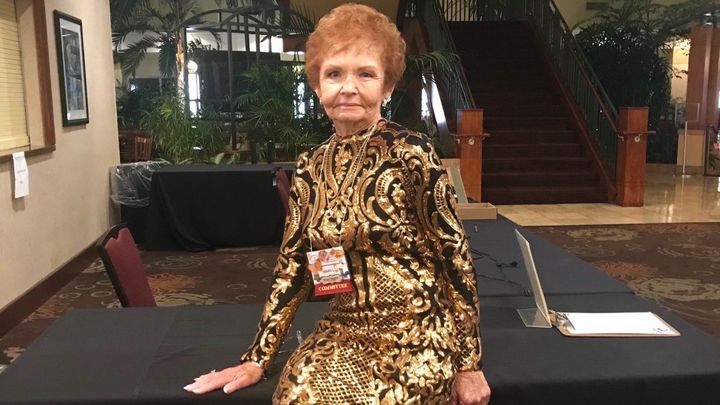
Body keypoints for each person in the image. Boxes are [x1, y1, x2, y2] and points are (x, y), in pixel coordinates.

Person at [184, 4, 491, 404]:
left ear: (387, 87)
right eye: (334, 74)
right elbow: (293, 266)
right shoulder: (310, 166)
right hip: (343, 325)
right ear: (317, 86)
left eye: (365, 74)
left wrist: (469, 363)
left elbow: (455, 255)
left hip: (417, 329)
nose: (348, 87)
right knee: (295, 394)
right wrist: (258, 358)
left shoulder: (411, 153)